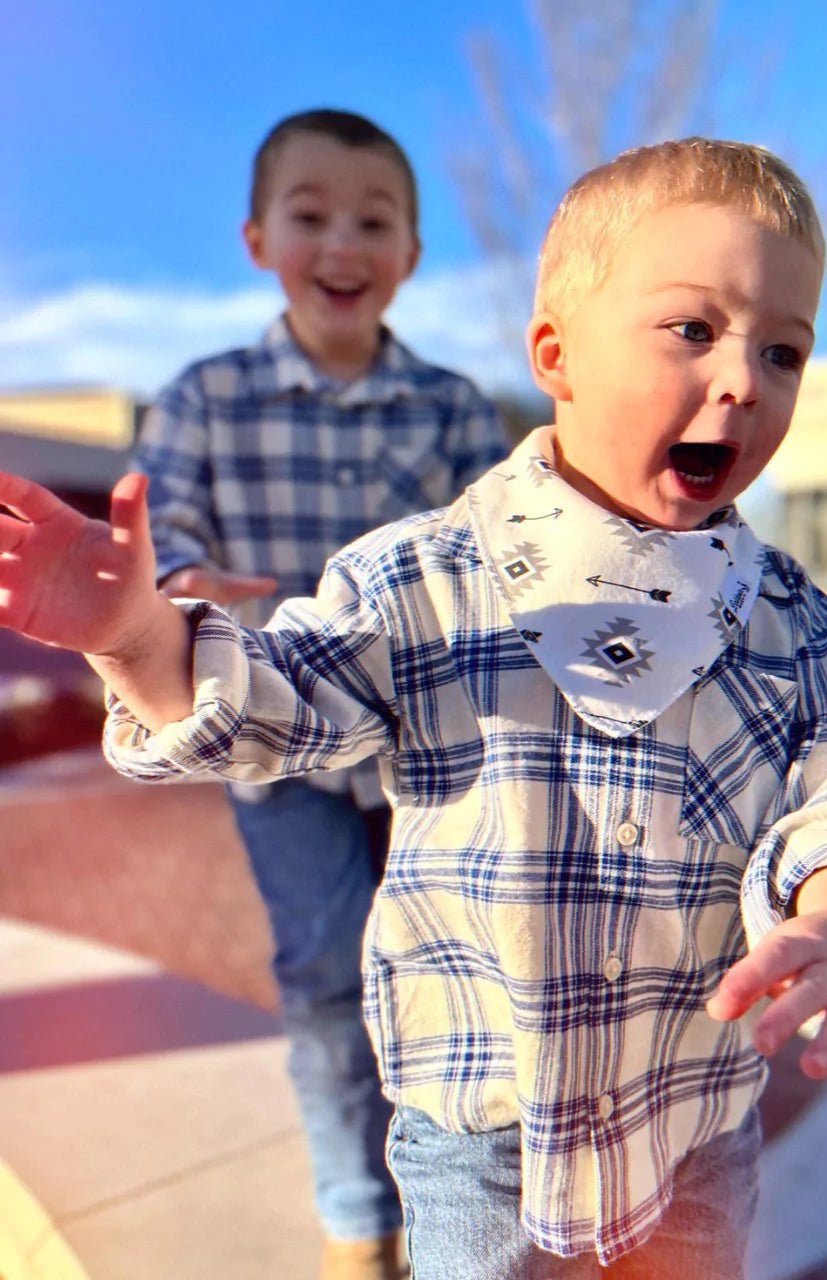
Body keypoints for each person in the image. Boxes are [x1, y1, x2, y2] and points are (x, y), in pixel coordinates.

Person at [0, 137, 827, 1280]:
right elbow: (286, 700)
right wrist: (143, 639)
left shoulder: (797, 623)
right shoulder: (423, 577)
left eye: (782, 350)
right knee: (319, 970)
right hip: (485, 1136)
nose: (743, 378)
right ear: (556, 353)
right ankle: (355, 1215)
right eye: (692, 329)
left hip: (693, 1124)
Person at [125, 108, 508, 1280]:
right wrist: (180, 578)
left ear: (411, 256)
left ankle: (454, 1189)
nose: (341, 242)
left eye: (373, 220)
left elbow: (495, 552)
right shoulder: (202, 395)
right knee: (325, 968)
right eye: (311, 216)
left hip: (426, 747)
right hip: (272, 750)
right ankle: (358, 1215)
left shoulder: (453, 410)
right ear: (257, 241)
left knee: (453, 966)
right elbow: (167, 525)